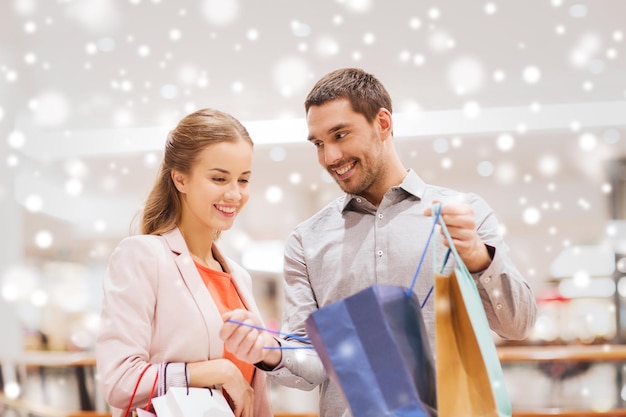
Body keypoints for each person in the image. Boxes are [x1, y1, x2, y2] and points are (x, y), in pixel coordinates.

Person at [220, 68, 538, 417]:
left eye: (340, 134)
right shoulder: (306, 241)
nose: (330, 157)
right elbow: (310, 365)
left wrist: (478, 256)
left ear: (383, 123)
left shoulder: (465, 213)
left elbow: (517, 323)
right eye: (319, 143)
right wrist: (272, 351)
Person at [96, 108, 272, 417]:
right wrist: (216, 371)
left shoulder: (239, 277)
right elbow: (119, 380)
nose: (234, 194)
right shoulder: (143, 256)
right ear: (180, 178)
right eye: (219, 178)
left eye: (243, 180)